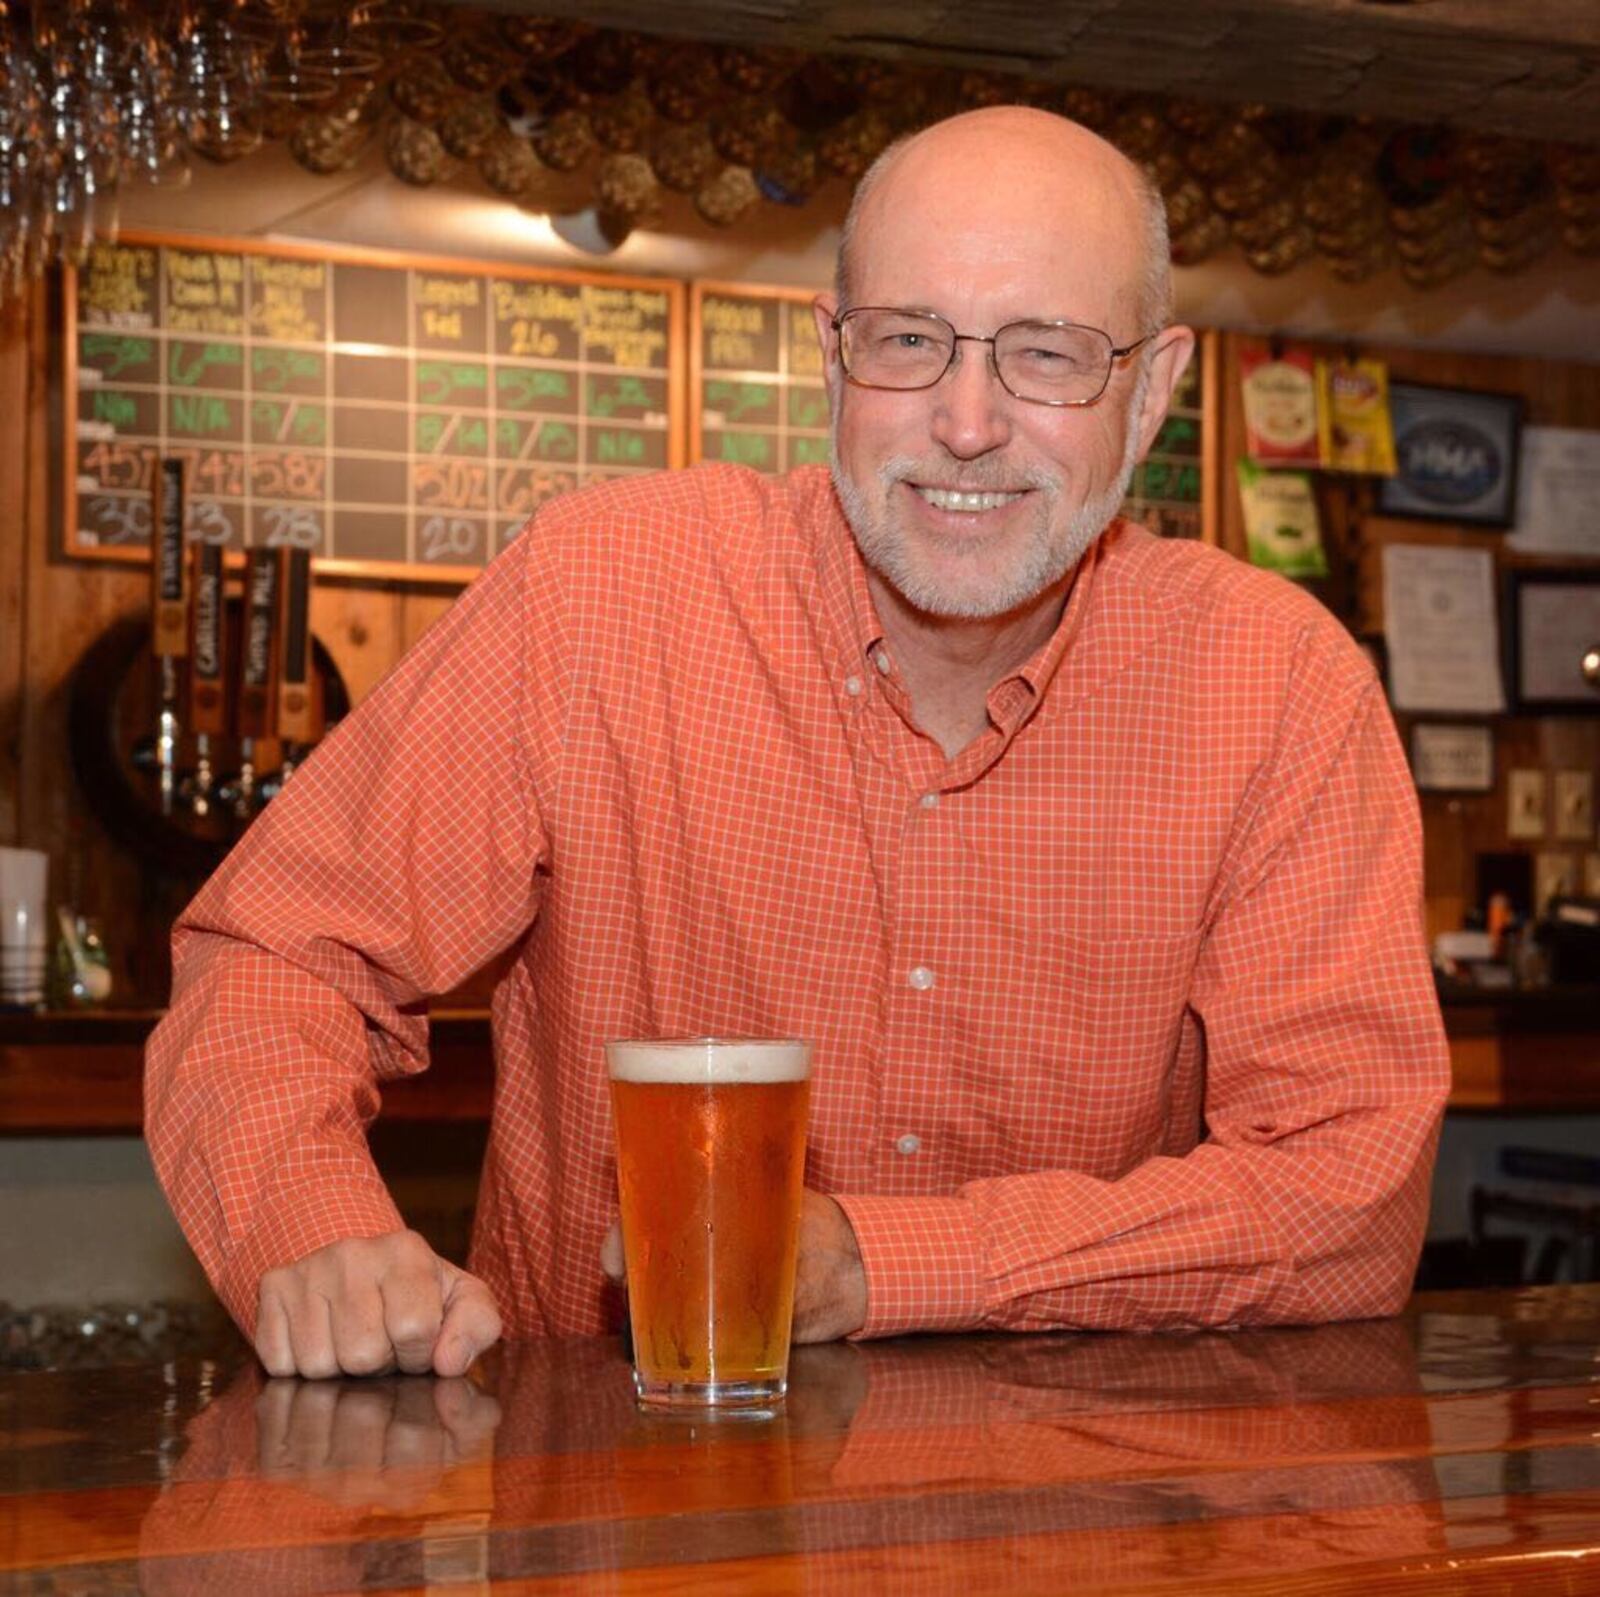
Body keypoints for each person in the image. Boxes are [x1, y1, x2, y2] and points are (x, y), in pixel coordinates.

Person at [146, 106, 1450, 1380]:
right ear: (831, 357)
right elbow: (273, 957)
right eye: (908, 342)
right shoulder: (603, 592)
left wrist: (889, 1263)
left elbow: (1347, 1193)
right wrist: (317, 1231)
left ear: (1154, 388)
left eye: (1046, 354)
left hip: (1072, 1536)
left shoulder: (1281, 691)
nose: (967, 421)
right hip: (621, 1522)